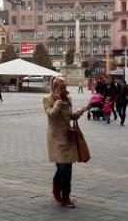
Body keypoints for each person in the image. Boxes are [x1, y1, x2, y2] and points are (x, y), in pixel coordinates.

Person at [43, 76, 88, 208]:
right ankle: (57, 187)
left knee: (68, 168)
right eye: (60, 88)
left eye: (64, 87)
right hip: (56, 138)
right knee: (62, 168)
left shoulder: (68, 98)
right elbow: (52, 115)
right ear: (54, 87)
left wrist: (81, 110)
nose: (63, 90)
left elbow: (69, 116)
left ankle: (66, 196)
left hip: (68, 137)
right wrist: (57, 101)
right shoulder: (47, 99)